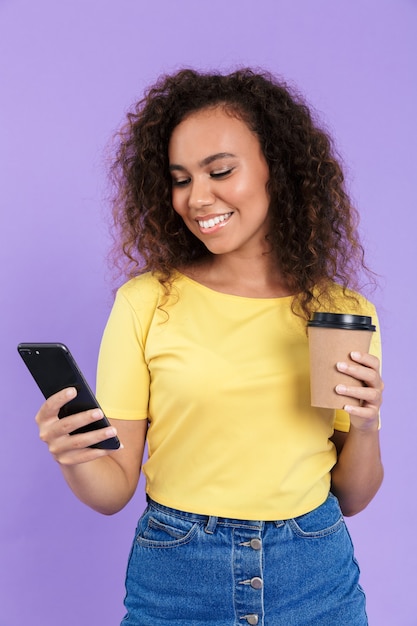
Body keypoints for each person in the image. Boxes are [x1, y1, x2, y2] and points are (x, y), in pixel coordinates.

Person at [36, 68, 384, 625]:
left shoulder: (338, 311)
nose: (197, 198)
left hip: (315, 574)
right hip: (178, 573)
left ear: (280, 169)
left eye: (219, 170)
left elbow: (353, 496)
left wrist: (365, 427)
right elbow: (111, 491)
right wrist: (73, 455)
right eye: (180, 179)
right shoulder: (146, 302)